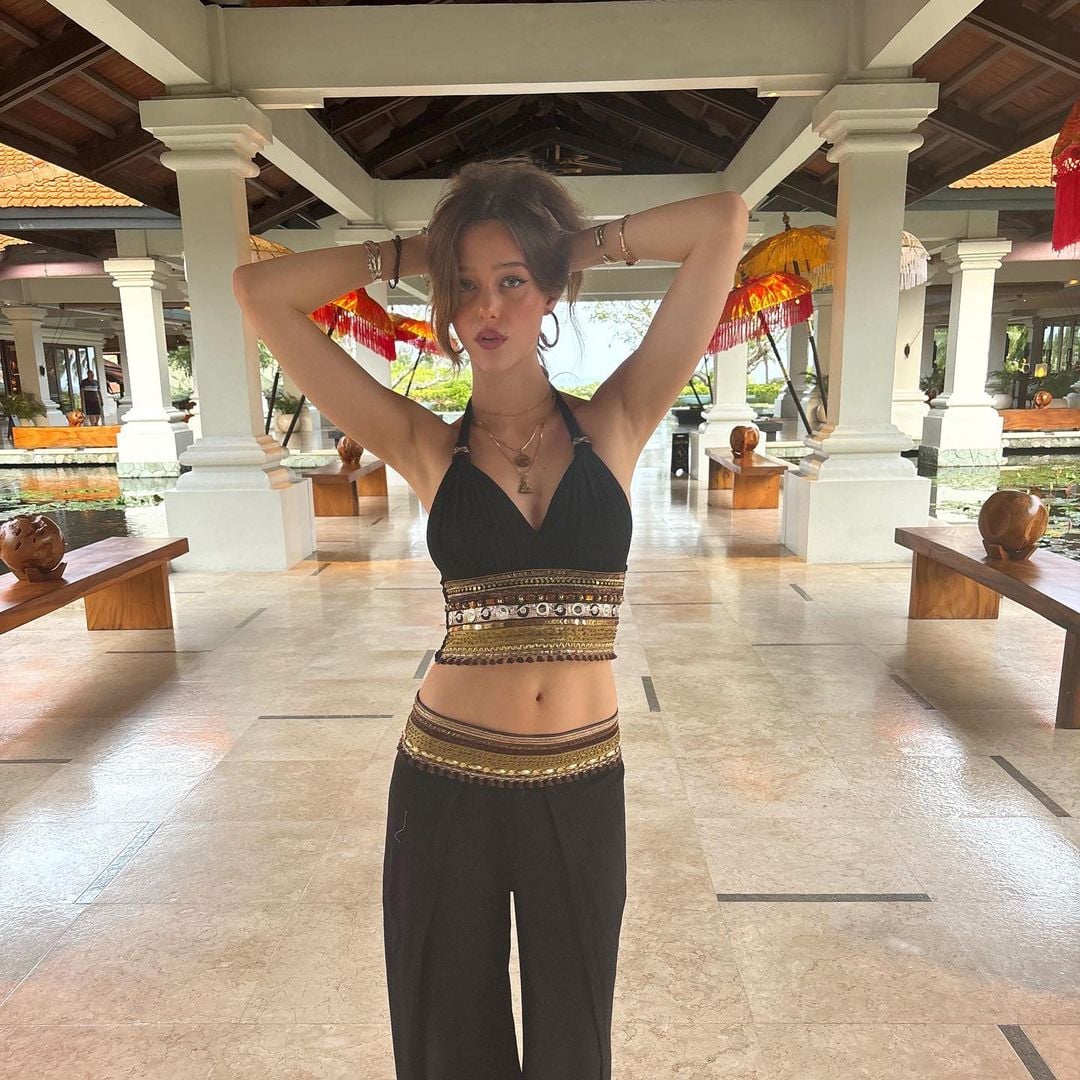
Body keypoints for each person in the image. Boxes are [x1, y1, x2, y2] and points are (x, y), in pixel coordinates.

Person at [233, 156, 747, 1080]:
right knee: (451, 1032)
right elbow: (260, 291)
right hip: (448, 776)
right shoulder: (425, 445)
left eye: (512, 283)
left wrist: (565, 245)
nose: (486, 308)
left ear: (549, 294)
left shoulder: (619, 419)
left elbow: (722, 220)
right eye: (465, 287)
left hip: (581, 776)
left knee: (575, 1034)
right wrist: (414, 253)